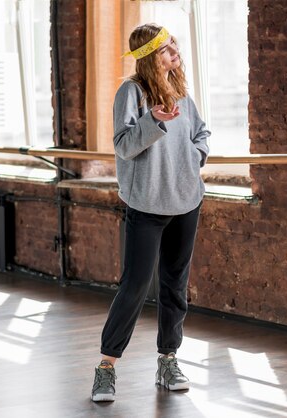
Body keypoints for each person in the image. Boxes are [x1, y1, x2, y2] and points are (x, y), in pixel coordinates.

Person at [91, 23, 210, 402]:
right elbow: (124, 146)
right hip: (146, 203)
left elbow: (201, 134)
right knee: (136, 286)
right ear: (149, 57)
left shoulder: (183, 95)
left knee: (175, 287)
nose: (175, 52)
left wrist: (195, 157)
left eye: (174, 46)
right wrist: (153, 120)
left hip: (186, 201)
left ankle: (168, 358)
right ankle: (106, 367)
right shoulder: (132, 93)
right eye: (166, 49)